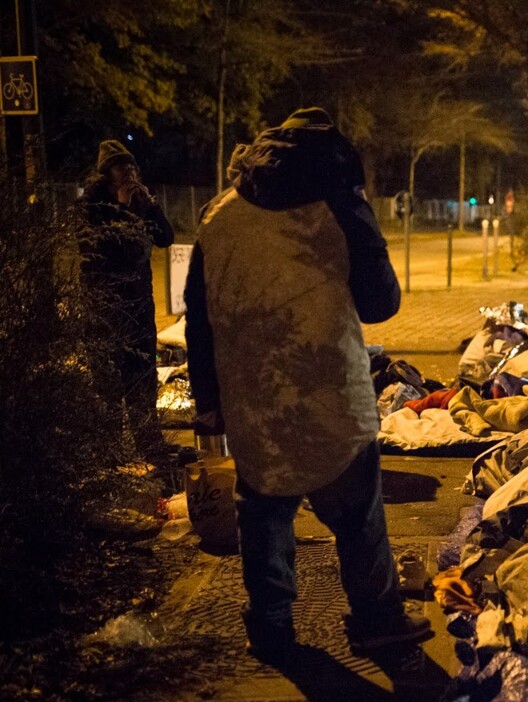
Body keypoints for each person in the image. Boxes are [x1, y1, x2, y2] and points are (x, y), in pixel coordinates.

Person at [184, 107, 430, 660]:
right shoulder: (339, 206)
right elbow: (381, 302)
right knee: (358, 519)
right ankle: (376, 619)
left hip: (254, 394)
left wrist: (209, 404)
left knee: (264, 514)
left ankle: (269, 627)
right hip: (329, 393)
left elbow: (198, 316)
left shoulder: (218, 216)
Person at [80, 139, 175, 460]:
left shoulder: (139, 201)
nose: (130, 172)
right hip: (106, 309)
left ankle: (148, 445)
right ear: (107, 173)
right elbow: (106, 252)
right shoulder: (93, 205)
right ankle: (109, 453)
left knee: (142, 376)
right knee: (108, 380)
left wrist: (148, 206)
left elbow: (166, 237)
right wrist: (121, 207)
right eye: (123, 167)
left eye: (132, 166)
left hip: (139, 305)